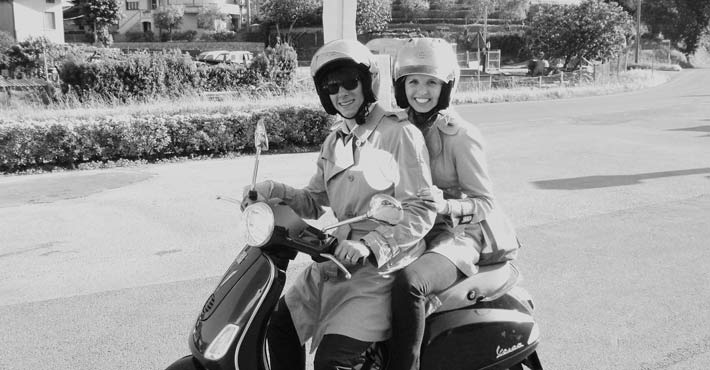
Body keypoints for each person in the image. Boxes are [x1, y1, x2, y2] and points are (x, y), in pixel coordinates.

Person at [242, 38, 436, 370]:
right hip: (333, 262)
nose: (341, 92)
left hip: (378, 270)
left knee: (334, 362)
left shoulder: (398, 134)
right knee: (276, 325)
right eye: (331, 86)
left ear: (367, 82)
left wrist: (371, 245)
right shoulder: (335, 141)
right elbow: (313, 201)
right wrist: (271, 189)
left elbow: (421, 207)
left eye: (350, 81)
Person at [389, 37, 520, 370]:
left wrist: (445, 206)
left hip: (457, 233)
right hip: (409, 226)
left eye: (431, 82)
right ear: (400, 84)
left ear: (446, 86)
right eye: (413, 81)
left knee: (411, 284)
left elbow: (485, 201)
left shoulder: (460, 134)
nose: (421, 90)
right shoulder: (393, 128)